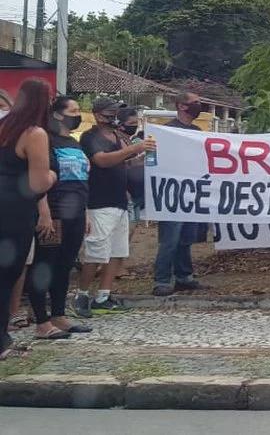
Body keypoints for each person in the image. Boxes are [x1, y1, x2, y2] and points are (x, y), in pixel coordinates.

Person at [74, 98, 155, 317]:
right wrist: (135, 148)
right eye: (111, 112)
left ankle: (103, 295)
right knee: (96, 252)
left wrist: (141, 156)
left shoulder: (119, 137)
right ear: (99, 114)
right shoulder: (91, 137)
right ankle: (81, 295)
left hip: (120, 200)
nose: (115, 116)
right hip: (99, 202)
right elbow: (102, 161)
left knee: (117, 251)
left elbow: (124, 162)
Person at [0, 79, 58, 359]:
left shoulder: (4, 126)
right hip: (14, 211)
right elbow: (38, 184)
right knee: (7, 275)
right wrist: (53, 176)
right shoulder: (34, 133)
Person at [27, 96, 92, 339]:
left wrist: (85, 213)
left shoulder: (74, 143)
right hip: (53, 212)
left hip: (76, 212)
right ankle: (41, 321)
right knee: (45, 264)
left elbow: (82, 180)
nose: (77, 115)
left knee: (65, 266)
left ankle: (58, 315)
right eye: (73, 110)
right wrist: (43, 211)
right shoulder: (45, 140)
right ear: (57, 114)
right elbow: (39, 177)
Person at [152, 93, 209, 296]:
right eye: (194, 103)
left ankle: (184, 277)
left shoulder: (196, 131)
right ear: (181, 106)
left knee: (186, 238)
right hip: (171, 193)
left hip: (191, 193)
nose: (198, 105)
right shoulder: (168, 131)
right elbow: (155, 159)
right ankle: (161, 280)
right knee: (170, 238)